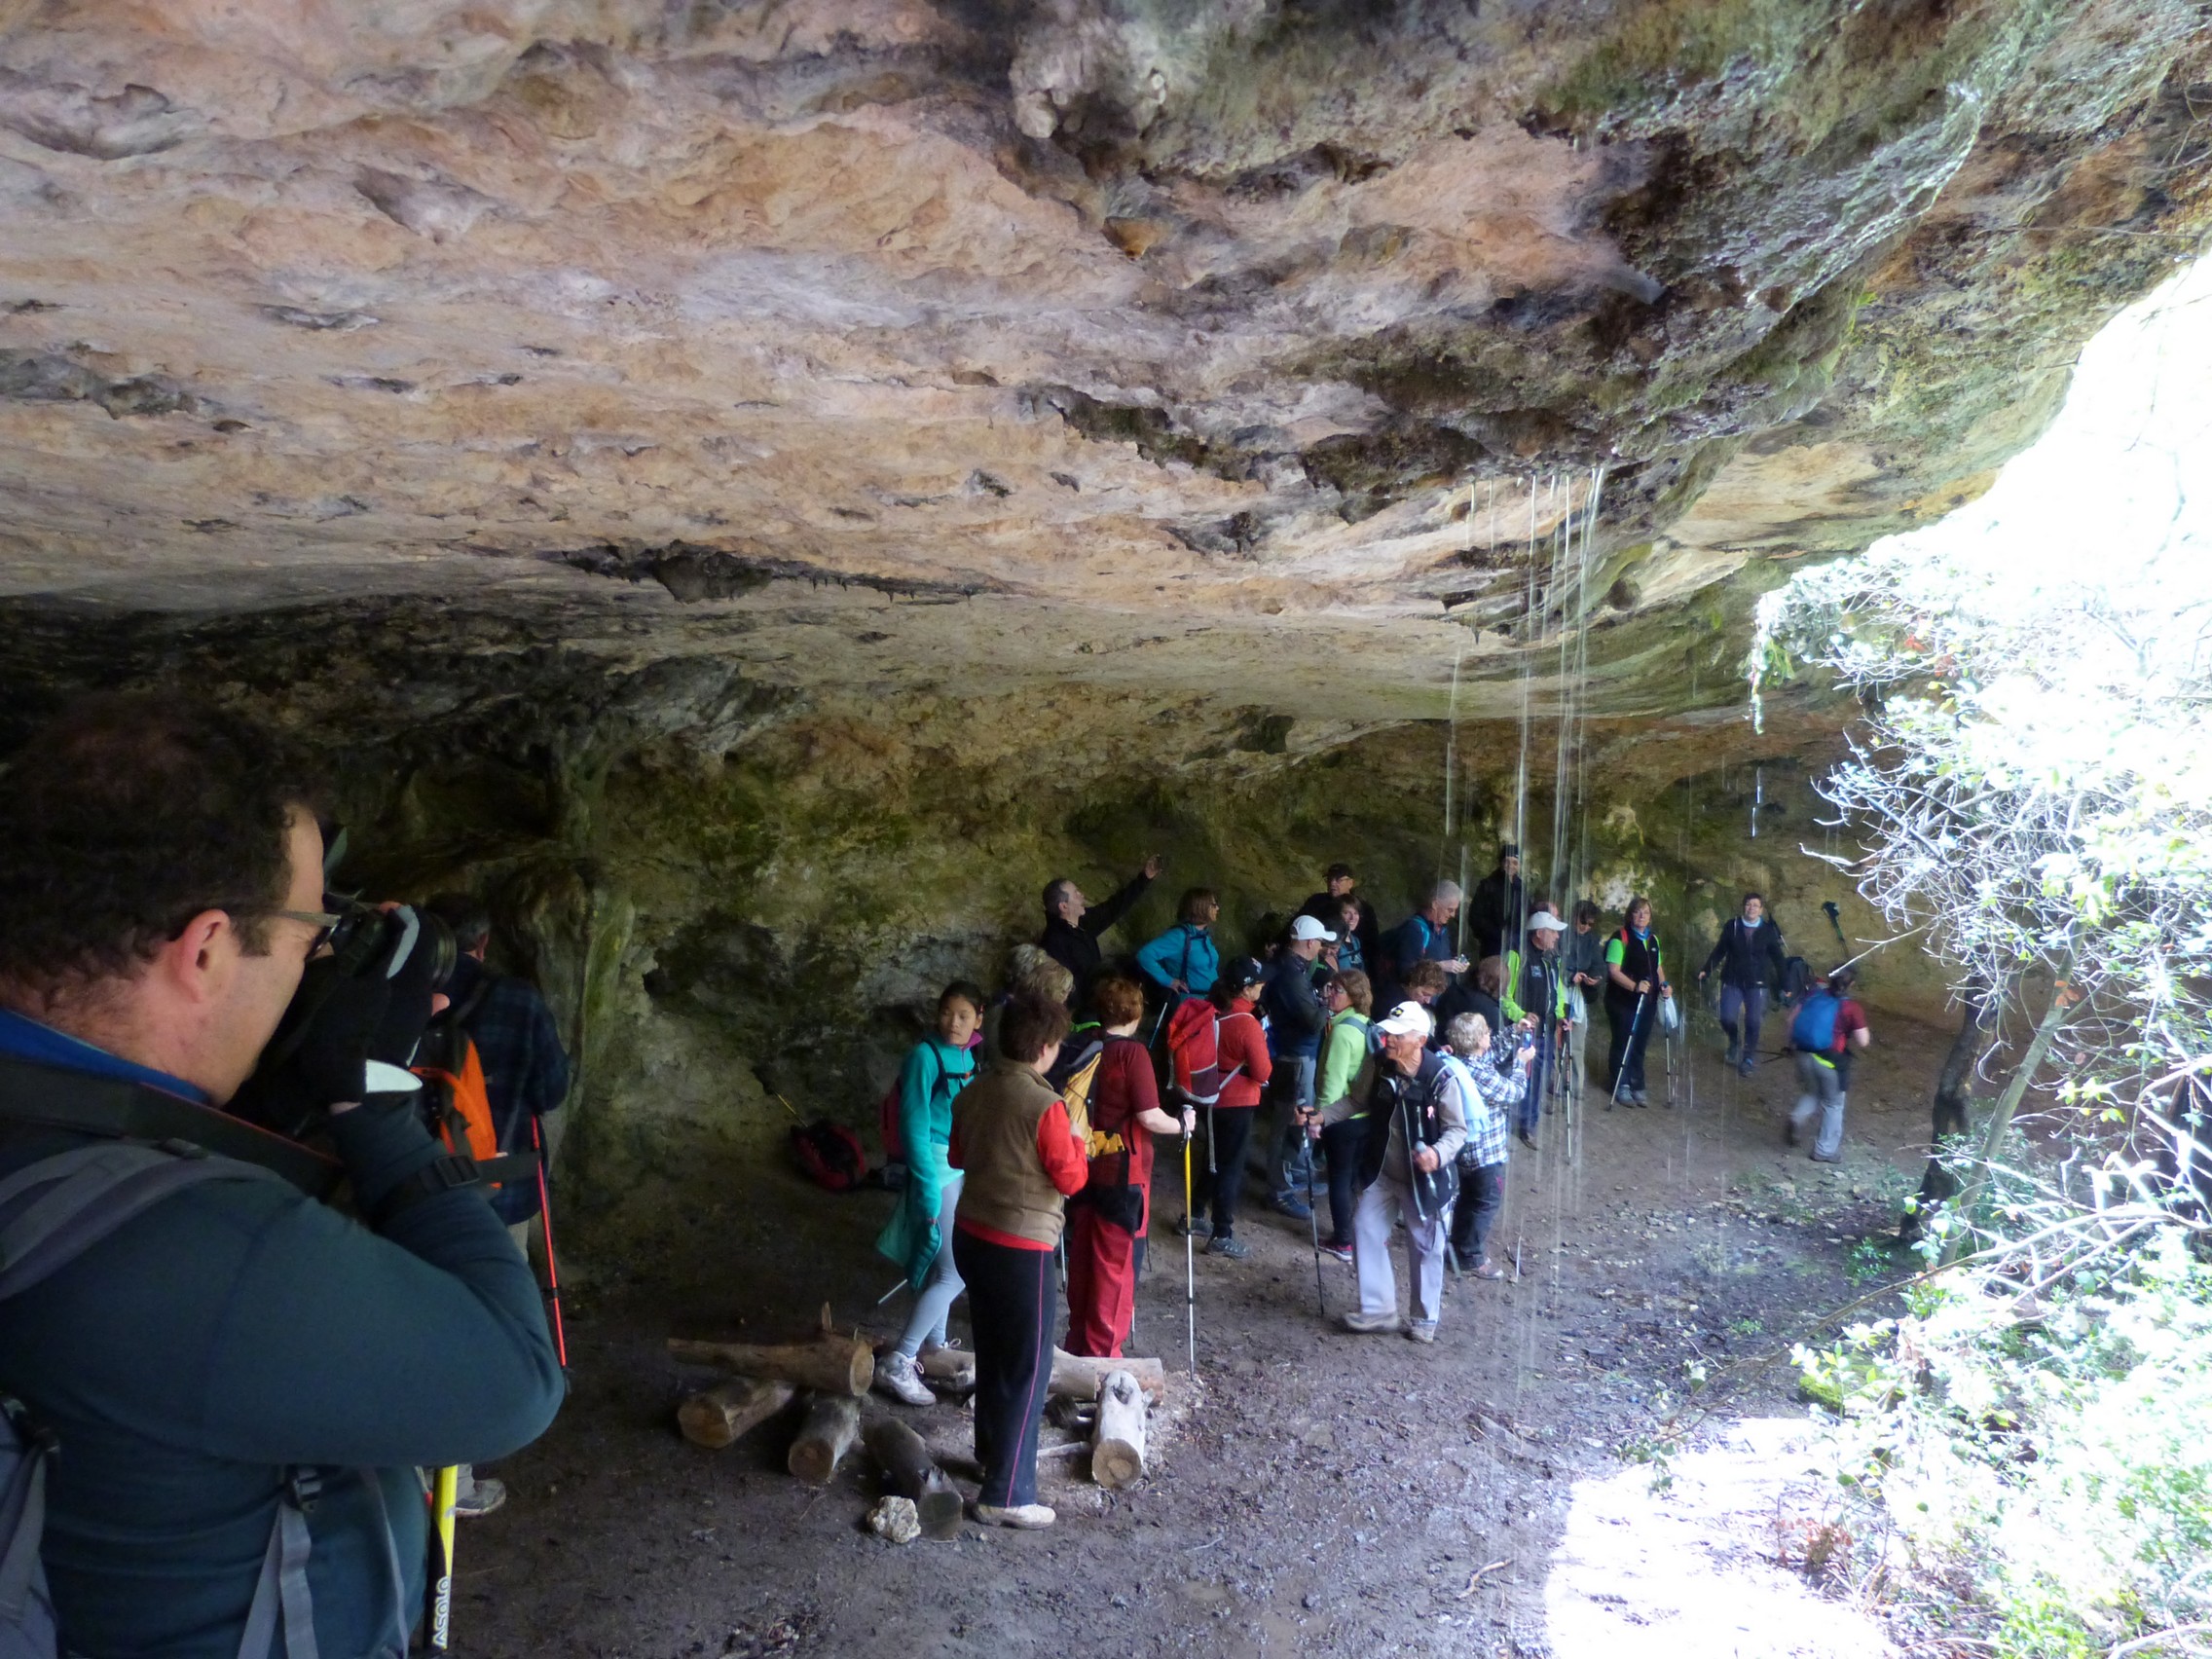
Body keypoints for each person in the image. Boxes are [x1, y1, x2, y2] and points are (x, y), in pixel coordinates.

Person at [0, 694, 563, 1657]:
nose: (312, 967)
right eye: (311, 936)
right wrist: (379, 1113)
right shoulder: (194, 1247)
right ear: (207, 949)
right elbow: (514, 1381)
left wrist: (278, 1099)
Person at [422, 891, 575, 1518]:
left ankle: (400, 1467)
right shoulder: (518, 1001)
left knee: (418, 1318)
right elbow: (551, 1090)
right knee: (481, 1328)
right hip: (495, 1193)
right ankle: (452, 1482)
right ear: (482, 944)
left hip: (404, 1188)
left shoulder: (396, 991)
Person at [950, 994, 1088, 1528]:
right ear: (1047, 1047)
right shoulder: (1046, 1105)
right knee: (1028, 1367)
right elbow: (1071, 1179)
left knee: (994, 1353)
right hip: (1021, 1246)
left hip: (971, 1233)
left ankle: (991, 1456)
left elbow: (957, 1155)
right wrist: (1078, 1144)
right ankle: (1006, 1494)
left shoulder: (976, 1089)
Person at [1063, 972, 1193, 1358]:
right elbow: (1149, 1117)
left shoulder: (1084, 1044)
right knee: (1114, 1269)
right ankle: (1103, 1358)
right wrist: (1183, 1125)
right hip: (1123, 1174)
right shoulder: (1131, 1054)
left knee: (1084, 1259)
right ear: (1135, 1013)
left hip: (1083, 1164)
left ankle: (1078, 1346)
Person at [872, 980, 986, 1406]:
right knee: (955, 1272)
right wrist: (924, 1186)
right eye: (946, 1013)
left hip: (956, 1163)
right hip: (935, 1166)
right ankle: (899, 1361)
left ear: (979, 1019)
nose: (953, 1023)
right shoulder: (924, 1056)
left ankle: (935, 1350)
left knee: (946, 1269)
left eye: (963, 1015)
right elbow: (913, 1124)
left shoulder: (969, 1054)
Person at [1341, 1002, 1467, 1342]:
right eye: (1388, 1032)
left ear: (1420, 1040)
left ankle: (1424, 1320)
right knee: (1365, 1227)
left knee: (1426, 1248)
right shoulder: (1380, 1064)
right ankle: (1378, 1311)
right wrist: (1321, 1116)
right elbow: (1355, 1101)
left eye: (1398, 1034)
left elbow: (1457, 1130)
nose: (1390, 1039)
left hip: (1425, 1180)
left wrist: (1437, 1155)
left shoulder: (1441, 1078)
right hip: (1382, 1171)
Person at [1184, 957, 1272, 1260]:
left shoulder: (1214, 1011)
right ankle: (1222, 1233)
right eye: (1258, 983)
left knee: (1212, 1159)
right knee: (1230, 1167)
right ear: (1246, 989)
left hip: (1209, 1097)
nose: (1263, 986)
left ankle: (1194, 1215)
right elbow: (1263, 1072)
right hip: (1238, 1101)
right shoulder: (1247, 1023)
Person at [1441, 1012, 1533, 1279]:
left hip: (1466, 1150)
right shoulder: (1478, 1073)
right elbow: (1513, 1092)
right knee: (1485, 1202)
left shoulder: (1462, 1061)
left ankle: (1457, 1249)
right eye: (1486, 1032)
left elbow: (1490, 1053)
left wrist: (1514, 1031)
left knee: (1468, 1200)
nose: (1490, 1036)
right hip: (1484, 1152)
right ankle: (1471, 1257)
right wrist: (1520, 1064)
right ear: (1477, 1040)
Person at [1262, 914, 1333, 1220]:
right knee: (1289, 1121)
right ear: (1309, 942)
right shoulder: (1292, 975)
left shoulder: (1288, 966)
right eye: (1319, 942)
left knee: (1293, 1119)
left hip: (1292, 1053)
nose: (1321, 947)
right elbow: (1313, 1022)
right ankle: (1279, 1190)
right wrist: (1326, 1003)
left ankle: (1290, 1173)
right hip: (1295, 1057)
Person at [1038, 857, 1162, 1006]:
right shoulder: (1053, 943)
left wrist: (1145, 877)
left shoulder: (1082, 923)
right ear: (1064, 906)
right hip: (1082, 1011)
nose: (1081, 895)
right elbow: (1062, 990)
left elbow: (1114, 907)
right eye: (1076, 893)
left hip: (1098, 1002)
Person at [1311, 970, 1374, 1265]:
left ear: (1354, 996)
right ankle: (1359, 1234)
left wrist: (1319, 1119)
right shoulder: (1365, 1024)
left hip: (1342, 1118)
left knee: (1338, 1178)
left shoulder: (1342, 1032)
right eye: (1331, 988)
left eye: (1338, 990)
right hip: (1365, 1116)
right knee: (1354, 1179)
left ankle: (1343, 1241)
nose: (1330, 994)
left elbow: (1331, 1083)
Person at [1699, 893, 1789, 1077]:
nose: (1751, 908)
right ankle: (1734, 1040)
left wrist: (1785, 984)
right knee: (1727, 1017)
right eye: (1748, 904)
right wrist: (1707, 969)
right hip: (1733, 979)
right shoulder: (1732, 926)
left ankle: (1748, 1058)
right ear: (1743, 907)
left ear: (1761, 910)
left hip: (1757, 983)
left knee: (1753, 1021)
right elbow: (1720, 950)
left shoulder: (1768, 930)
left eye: (1755, 905)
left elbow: (1778, 959)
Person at [1787, 965, 1870, 1162]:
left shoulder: (1812, 995)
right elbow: (1863, 1041)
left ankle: (1796, 1118)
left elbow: (1791, 1020)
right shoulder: (1851, 1008)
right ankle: (1824, 1151)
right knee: (1833, 1104)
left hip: (1803, 1053)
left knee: (1812, 1092)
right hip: (1829, 1061)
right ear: (1851, 984)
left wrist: (1791, 1045)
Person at [1501, 910, 1570, 1149]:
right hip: (1523, 1032)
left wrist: (1561, 1016)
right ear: (1539, 933)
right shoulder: (1517, 956)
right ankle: (1507, 1125)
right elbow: (1503, 995)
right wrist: (1520, 1015)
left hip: (1547, 1031)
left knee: (1538, 1079)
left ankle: (1528, 1125)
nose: (1557, 937)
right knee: (1518, 1076)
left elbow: (1557, 993)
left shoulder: (1552, 959)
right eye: (1553, 932)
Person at [1604, 897, 1671, 1106]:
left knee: (1640, 1042)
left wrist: (1664, 984)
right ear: (1630, 914)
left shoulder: (1653, 940)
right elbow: (1614, 971)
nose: (1642, 916)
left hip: (1647, 1002)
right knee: (1623, 1041)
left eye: (1646, 913)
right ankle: (1620, 1083)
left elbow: (1657, 967)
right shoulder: (1620, 938)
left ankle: (1636, 1082)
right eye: (1637, 912)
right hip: (1622, 1001)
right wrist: (1634, 986)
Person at [1377, 883, 1470, 1008]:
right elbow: (1406, 969)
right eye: (1450, 909)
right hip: (1410, 1002)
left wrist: (1455, 964)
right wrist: (1441, 966)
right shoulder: (1414, 929)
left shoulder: (1442, 930)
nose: (1453, 915)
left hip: (1435, 1000)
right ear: (1435, 904)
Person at [1134, 887, 1222, 1003]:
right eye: (1213, 905)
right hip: (1190, 1003)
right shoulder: (1179, 936)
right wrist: (1168, 980)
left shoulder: (1204, 935)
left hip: (1208, 1000)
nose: (1217, 908)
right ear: (1200, 907)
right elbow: (1145, 955)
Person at [1564, 899, 1607, 1090]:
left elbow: (1599, 965)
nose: (1586, 927)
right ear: (1574, 917)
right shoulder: (1562, 935)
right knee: (1558, 1040)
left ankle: (1577, 1084)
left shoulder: (1592, 940)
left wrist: (1595, 977)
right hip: (1561, 991)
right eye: (1583, 922)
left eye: (1590, 924)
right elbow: (1556, 962)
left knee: (1578, 1041)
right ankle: (1556, 1081)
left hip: (1579, 993)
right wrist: (1569, 976)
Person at [1298, 863, 1380, 964]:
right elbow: (1298, 924)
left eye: (1338, 880)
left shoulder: (1365, 908)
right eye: (1329, 878)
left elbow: (1372, 943)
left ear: (1350, 883)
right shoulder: (1316, 902)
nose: (1332, 883)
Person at [1466, 844, 1526, 962]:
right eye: (1507, 861)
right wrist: (1498, 935)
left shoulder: (1521, 887)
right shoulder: (1488, 885)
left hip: (1516, 946)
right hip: (1492, 946)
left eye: (1515, 863)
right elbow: (1475, 917)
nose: (1510, 866)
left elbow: (1526, 913)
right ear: (1501, 862)